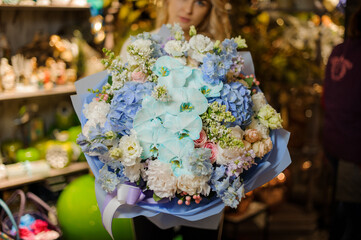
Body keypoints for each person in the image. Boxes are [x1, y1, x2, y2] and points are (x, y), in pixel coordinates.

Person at [121, 1, 232, 239]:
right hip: (149, 189)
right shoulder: (139, 46)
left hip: (202, 189)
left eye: (200, 2)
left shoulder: (216, 56)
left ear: (211, 9)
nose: (189, 9)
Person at [323, 4, 361, 240]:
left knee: (344, 205)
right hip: (355, 146)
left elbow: (326, 95)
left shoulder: (339, 49)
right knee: (355, 217)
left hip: (334, 138)